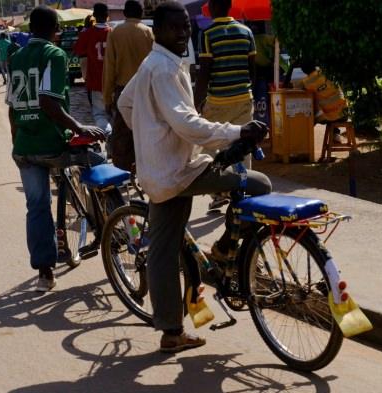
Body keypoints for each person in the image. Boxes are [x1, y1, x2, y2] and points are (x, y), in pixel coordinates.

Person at [117, 1, 271, 353]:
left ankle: (172, 331)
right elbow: (186, 123)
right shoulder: (162, 69)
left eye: (186, 26)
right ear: (157, 31)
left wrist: (150, 137)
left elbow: (126, 104)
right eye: (175, 27)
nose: (183, 32)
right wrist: (237, 132)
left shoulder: (157, 63)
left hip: (164, 170)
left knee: (163, 250)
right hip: (177, 172)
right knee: (258, 184)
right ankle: (225, 251)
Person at [6, 6, 106, 292]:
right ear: (55, 31)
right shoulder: (55, 54)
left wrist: (17, 142)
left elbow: (13, 108)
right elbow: (49, 102)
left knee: (36, 207)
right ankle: (114, 228)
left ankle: (45, 274)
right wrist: (80, 127)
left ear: (29, 30)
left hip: (24, 147)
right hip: (52, 145)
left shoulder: (16, 58)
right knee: (100, 162)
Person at [194, 0, 257, 210]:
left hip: (218, 102)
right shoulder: (246, 32)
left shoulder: (207, 34)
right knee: (243, 146)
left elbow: (204, 72)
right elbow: (252, 68)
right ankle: (244, 192)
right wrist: (248, 91)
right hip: (243, 99)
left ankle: (218, 192)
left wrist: (196, 102)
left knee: (210, 148)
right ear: (230, 6)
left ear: (211, 9)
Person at [102, 0, 153, 171]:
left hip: (123, 91)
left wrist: (107, 98)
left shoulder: (115, 32)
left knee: (122, 135)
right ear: (141, 13)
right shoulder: (149, 32)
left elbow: (109, 67)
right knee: (145, 131)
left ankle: (122, 172)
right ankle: (146, 168)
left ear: (124, 13)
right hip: (146, 90)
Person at [73, 3, 113, 154]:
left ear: (94, 16)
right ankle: (112, 146)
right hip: (113, 81)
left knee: (99, 114)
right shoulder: (113, 32)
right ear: (108, 16)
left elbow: (79, 51)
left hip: (95, 81)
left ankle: (108, 137)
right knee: (113, 115)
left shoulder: (87, 33)